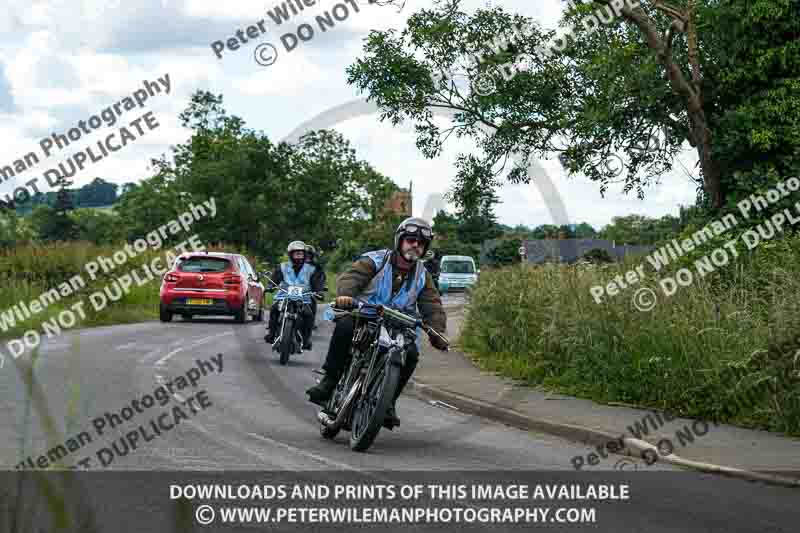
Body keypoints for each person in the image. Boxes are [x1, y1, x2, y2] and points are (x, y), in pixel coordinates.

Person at [306, 217, 448, 428]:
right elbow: (351, 278)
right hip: (364, 314)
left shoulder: (422, 275)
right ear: (400, 241)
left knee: (411, 354)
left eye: (420, 242)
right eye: (410, 240)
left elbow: (432, 305)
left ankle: (388, 402)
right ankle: (330, 380)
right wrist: (346, 296)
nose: (415, 245)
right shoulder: (375, 260)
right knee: (345, 327)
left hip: (398, 324)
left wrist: (436, 331)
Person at [264, 241, 324, 350]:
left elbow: (317, 283)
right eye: (296, 254)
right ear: (290, 254)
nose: (299, 256)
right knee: (273, 309)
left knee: (309, 314)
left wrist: (319, 291)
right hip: (284, 295)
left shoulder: (312, 269)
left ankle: (306, 339)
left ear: (305, 254)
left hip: (303, 298)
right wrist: (269, 286)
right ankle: (271, 334)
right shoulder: (282, 267)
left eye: (301, 254)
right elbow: (274, 279)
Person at [304, 245, 326, 330]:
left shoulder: (317, 267)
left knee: (312, 302)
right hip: (293, 289)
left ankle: (311, 322)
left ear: (312, 256)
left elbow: (321, 278)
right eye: (305, 254)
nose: (307, 256)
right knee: (277, 304)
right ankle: (274, 325)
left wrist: (319, 290)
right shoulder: (293, 264)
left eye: (309, 254)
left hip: (309, 290)